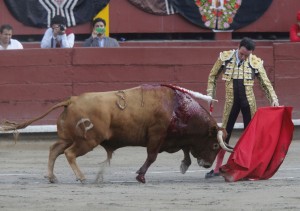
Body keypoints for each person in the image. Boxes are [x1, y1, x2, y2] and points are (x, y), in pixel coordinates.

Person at [205, 37, 279, 179]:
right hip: (231, 102)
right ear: (238, 47)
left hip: (249, 104)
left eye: (247, 55)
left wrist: (274, 99)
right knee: (224, 135)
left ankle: (249, 167)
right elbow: (212, 76)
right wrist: (210, 95)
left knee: (251, 136)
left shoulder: (255, 62)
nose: (244, 57)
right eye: (242, 54)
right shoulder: (225, 58)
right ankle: (217, 168)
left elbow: (266, 84)